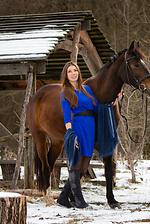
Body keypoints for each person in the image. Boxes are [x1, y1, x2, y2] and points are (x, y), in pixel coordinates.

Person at [57, 61, 98, 208]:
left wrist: (114, 100)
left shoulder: (87, 89)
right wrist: (70, 133)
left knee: (84, 166)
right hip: (78, 127)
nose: (73, 73)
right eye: (70, 71)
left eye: (75, 70)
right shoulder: (66, 93)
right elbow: (67, 116)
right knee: (76, 163)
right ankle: (79, 200)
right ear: (66, 75)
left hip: (90, 127)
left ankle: (63, 198)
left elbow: (97, 107)